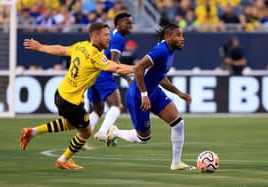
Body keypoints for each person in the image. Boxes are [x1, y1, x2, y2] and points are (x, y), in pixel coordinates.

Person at [19, 22, 133, 170]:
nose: (109, 38)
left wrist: (40, 47)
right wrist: (139, 68)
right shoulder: (96, 55)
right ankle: (64, 159)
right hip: (71, 102)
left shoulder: (81, 45)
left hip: (61, 94)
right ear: (96, 36)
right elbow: (116, 67)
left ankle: (32, 132)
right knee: (86, 132)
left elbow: (61, 50)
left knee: (71, 124)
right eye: (106, 35)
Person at [106, 23, 196, 170]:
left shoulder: (169, 51)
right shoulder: (161, 51)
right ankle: (115, 132)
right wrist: (144, 95)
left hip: (153, 92)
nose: (182, 38)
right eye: (178, 35)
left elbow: (159, 76)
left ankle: (176, 163)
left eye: (182, 35)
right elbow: (138, 68)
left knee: (178, 123)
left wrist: (179, 93)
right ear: (167, 37)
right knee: (143, 139)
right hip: (138, 95)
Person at [87, 12, 133, 143]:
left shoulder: (111, 36)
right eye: (127, 23)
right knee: (116, 105)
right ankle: (102, 132)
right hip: (103, 74)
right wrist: (128, 78)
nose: (130, 25)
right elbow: (114, 61)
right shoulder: (118, 38)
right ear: (118, 24)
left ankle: (81, 139)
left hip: (93, 74)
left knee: (97, 110)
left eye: (131, 23)